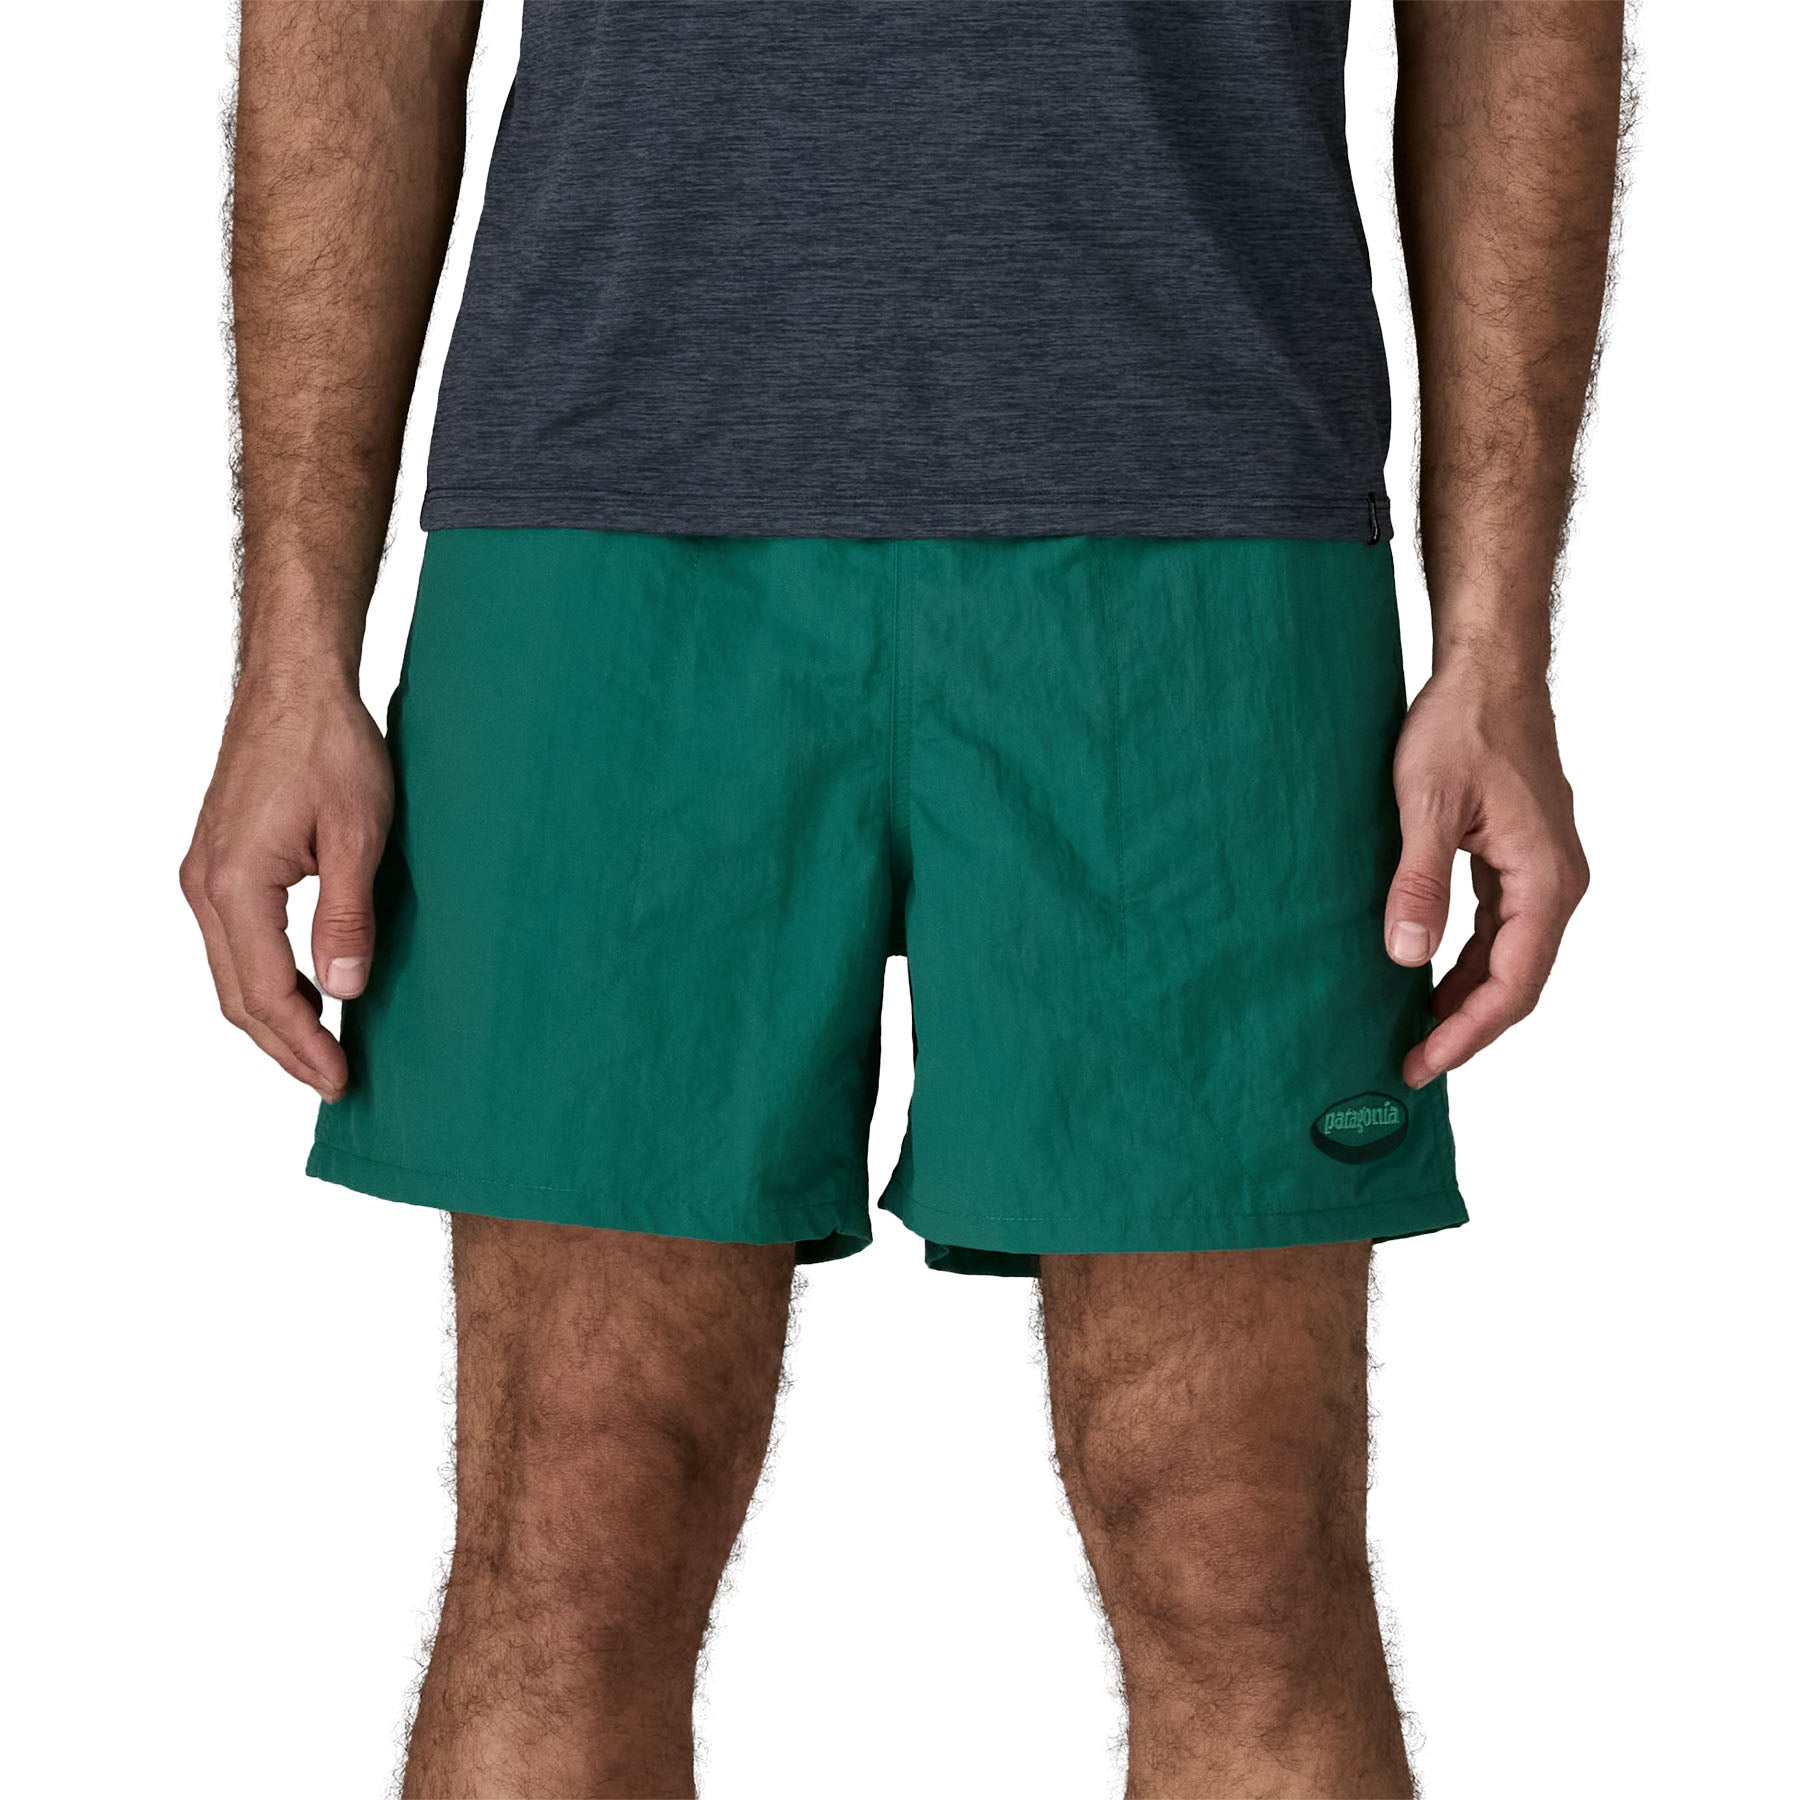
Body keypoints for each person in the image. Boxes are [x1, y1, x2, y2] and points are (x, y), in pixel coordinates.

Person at [181, 4, 1622, 1794]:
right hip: (608, 532)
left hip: (1202, 546)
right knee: (573, 1527)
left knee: (1237, 1546)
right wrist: (292, 649)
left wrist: (1497, 645)